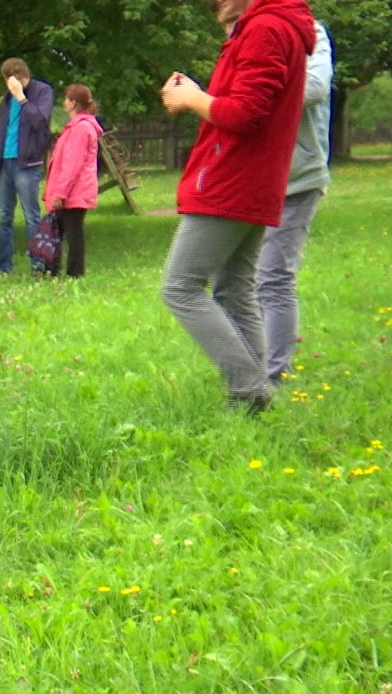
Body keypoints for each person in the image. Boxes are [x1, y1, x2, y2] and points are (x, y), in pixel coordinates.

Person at [159, 0, 316, 413]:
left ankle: (249, 389)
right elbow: (246, 101)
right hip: (253, 181)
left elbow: (247, 114)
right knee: (235, 291)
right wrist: (197, 94)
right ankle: (253, 402)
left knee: (180, 287)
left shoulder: (266, 28)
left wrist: (192, 99)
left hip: (231, 179)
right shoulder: (271, 25)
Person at [256, 19, 331, 389]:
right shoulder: (246, 32)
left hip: (298, 179)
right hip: (254, 180)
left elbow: (315, 87)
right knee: (244, 281)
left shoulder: (310, 32)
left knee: (273, 279)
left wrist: (259, 86)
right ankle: (254, 368)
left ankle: (272, 381)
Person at [0, 57, 54, 275]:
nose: (12, 86)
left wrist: (22, 97)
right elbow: (1, 128)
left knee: (31, 215)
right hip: (5, 162)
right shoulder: (6, 99)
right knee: (4, 216)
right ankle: (3, 265)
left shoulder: (42, 92)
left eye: (16, 81)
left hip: (27, 162)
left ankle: (38, 265)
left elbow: (40, 122)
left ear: (25, 76)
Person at [42, 84, 104, 278]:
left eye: (67, 99)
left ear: (73, 103)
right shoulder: (75, 127)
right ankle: (52, 269)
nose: (64, 102)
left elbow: (72, 164)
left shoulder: (81, 129)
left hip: (74, 191)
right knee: (57, 230)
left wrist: (60, 193)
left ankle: (74, 273)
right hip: (71, 190)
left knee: (73, 233)